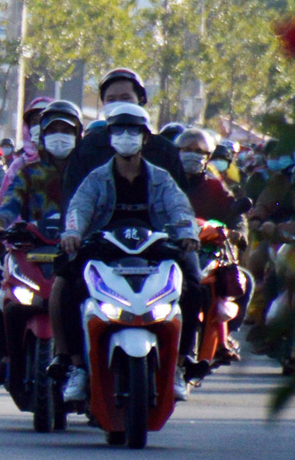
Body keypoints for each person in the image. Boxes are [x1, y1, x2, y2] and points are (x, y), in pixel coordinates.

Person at [57, 104, 203, 401]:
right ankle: (76, 367)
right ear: (110, 137)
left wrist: (187, 235)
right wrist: (73, 233)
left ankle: (179, 364)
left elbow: (179, 209)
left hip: (156, 252)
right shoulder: (97, 178)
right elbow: (79, 207)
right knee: (66, 288)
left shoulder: (161, 178)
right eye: (119, 130)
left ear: (145, 138)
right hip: (103, 251)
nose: (126, 136)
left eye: (134, 130)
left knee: (195, 289)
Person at [0, 99, 82, 388]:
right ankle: (10, 363)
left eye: (67, 129)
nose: (60, 136)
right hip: (35, 251)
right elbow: (11, 201)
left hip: (77, 254)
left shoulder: (87, 172)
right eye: (53, 129)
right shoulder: (29, 171)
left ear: (78, 133)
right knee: (11, 304)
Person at [176, 126, 249, 362]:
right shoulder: (164, 181)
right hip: (168, 251)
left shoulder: (214, 185)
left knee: (240, 281)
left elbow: (234, 212)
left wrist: (237, 232)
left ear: (208, 156)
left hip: (205, 251)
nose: (192, 154)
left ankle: (223, 337)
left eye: (198, 150)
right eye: (186, 149)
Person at [62, 67, 184, 197]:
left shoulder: (164, 150)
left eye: (125, 98)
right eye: (111, 99)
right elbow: (72, 200)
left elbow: (180, 202)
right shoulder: (87, 149)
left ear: (140, 100)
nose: (119, 104)